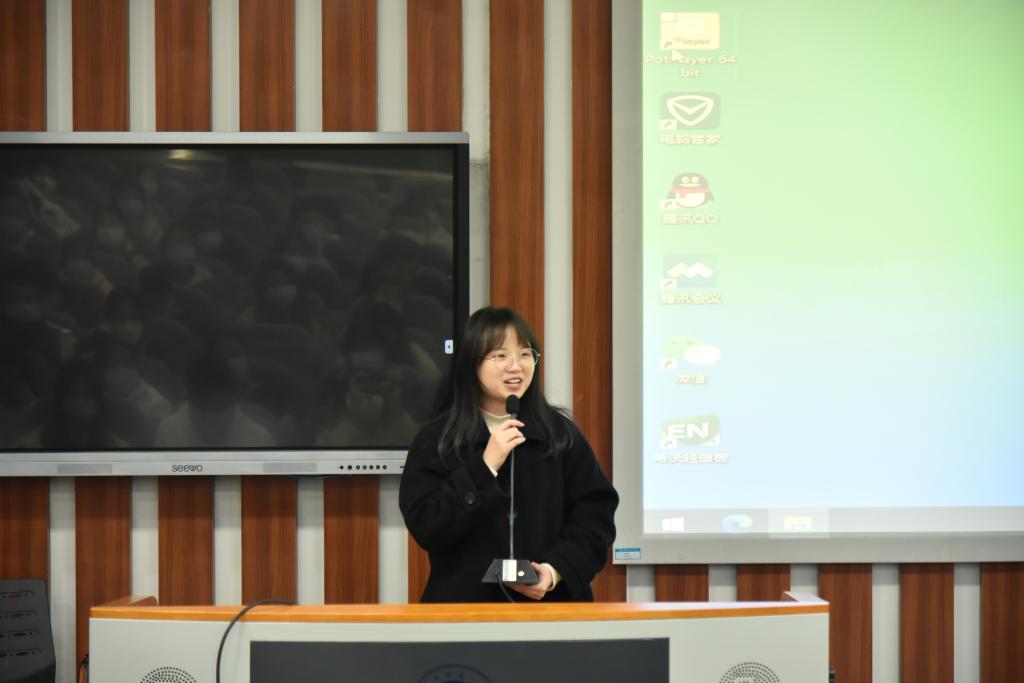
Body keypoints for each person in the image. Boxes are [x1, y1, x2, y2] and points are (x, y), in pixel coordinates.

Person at [399, 306, 618, 602]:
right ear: (470, 364)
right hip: (465, 609)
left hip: (550, 610)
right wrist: (484, 467)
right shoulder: (438, 438)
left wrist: (554, 571)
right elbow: (427, 525)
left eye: (526, 354)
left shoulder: (559, 435)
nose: (516, 366)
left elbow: (595, 516)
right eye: (500, 356)